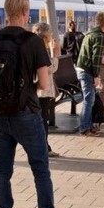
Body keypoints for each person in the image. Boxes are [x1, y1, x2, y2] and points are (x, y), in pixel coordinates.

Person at [0, 0, 66, 208]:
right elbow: (42, 83)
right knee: (40, 168)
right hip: (27, 113)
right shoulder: (33, 42)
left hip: (0, 115)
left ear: (7, 12)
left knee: (3, 170)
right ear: (25, 13)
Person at [75, 12, 104, 137]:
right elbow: (96, 58)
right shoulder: (99, 36)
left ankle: (88, 126)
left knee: (90, 99)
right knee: (89, 100)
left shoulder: (90, 33)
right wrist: (96, 76)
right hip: (87, 71)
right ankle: (84, 129)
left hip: (82, 69)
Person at [33, 20, 60, 158]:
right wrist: (55, 54)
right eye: (49, 34)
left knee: (42, 120)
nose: (51, 37)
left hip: (40, 91)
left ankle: (44, 147)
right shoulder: (40, 49)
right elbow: (49, 68)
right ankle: (44, 149)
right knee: (42, 121)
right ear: (45, 36)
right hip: (42, 92)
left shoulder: (36, 47)